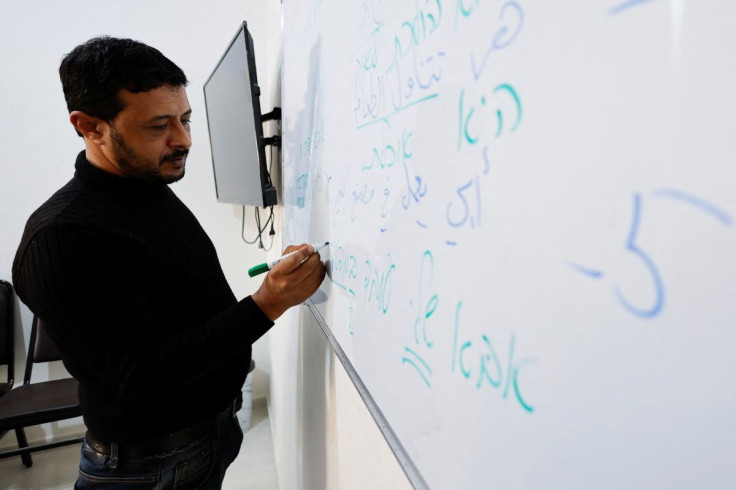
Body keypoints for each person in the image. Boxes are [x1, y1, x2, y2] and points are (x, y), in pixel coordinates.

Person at [12, 36, 325, 489]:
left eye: (185, 119)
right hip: (149, 468)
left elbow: (181, 304)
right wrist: (266, 304)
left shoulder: (145, 184)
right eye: (159, 126)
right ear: (89, 127)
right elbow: (142, 375)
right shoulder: (64, 237)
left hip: (202, 438)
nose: (183, 140)